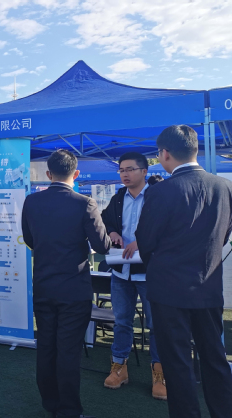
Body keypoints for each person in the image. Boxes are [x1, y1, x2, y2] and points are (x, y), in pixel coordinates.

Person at [136, 125, 232, 418]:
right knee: (215, 358)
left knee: (177, 362)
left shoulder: (160, 191)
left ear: (164, 154)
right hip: (208, 286)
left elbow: (146, 241)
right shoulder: (224, 186)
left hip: (169, 291)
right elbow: (224, 235)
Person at [22, 149, 111, 418]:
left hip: (44, 285)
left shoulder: (32, 202)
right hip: (74, 288)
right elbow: (102, 246)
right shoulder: (85, 203)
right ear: (76, 173)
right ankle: (69, 410)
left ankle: (51, 404)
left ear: (48, 174)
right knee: (68, 351)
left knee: (46, 347)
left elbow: (29, 239)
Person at [100, 152, 166, 400]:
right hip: (121, 272)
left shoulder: (158, 196)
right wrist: (113, 232)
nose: (125, 174)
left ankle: (159, 373)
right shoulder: (118, 197)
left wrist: (143, 241)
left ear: (144, 171)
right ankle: (119, 367)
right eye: (121, 170)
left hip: (150, 274)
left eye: (130, 169)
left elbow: (169, 228)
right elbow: (104, 220)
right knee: (122, 322)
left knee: (156, 325)